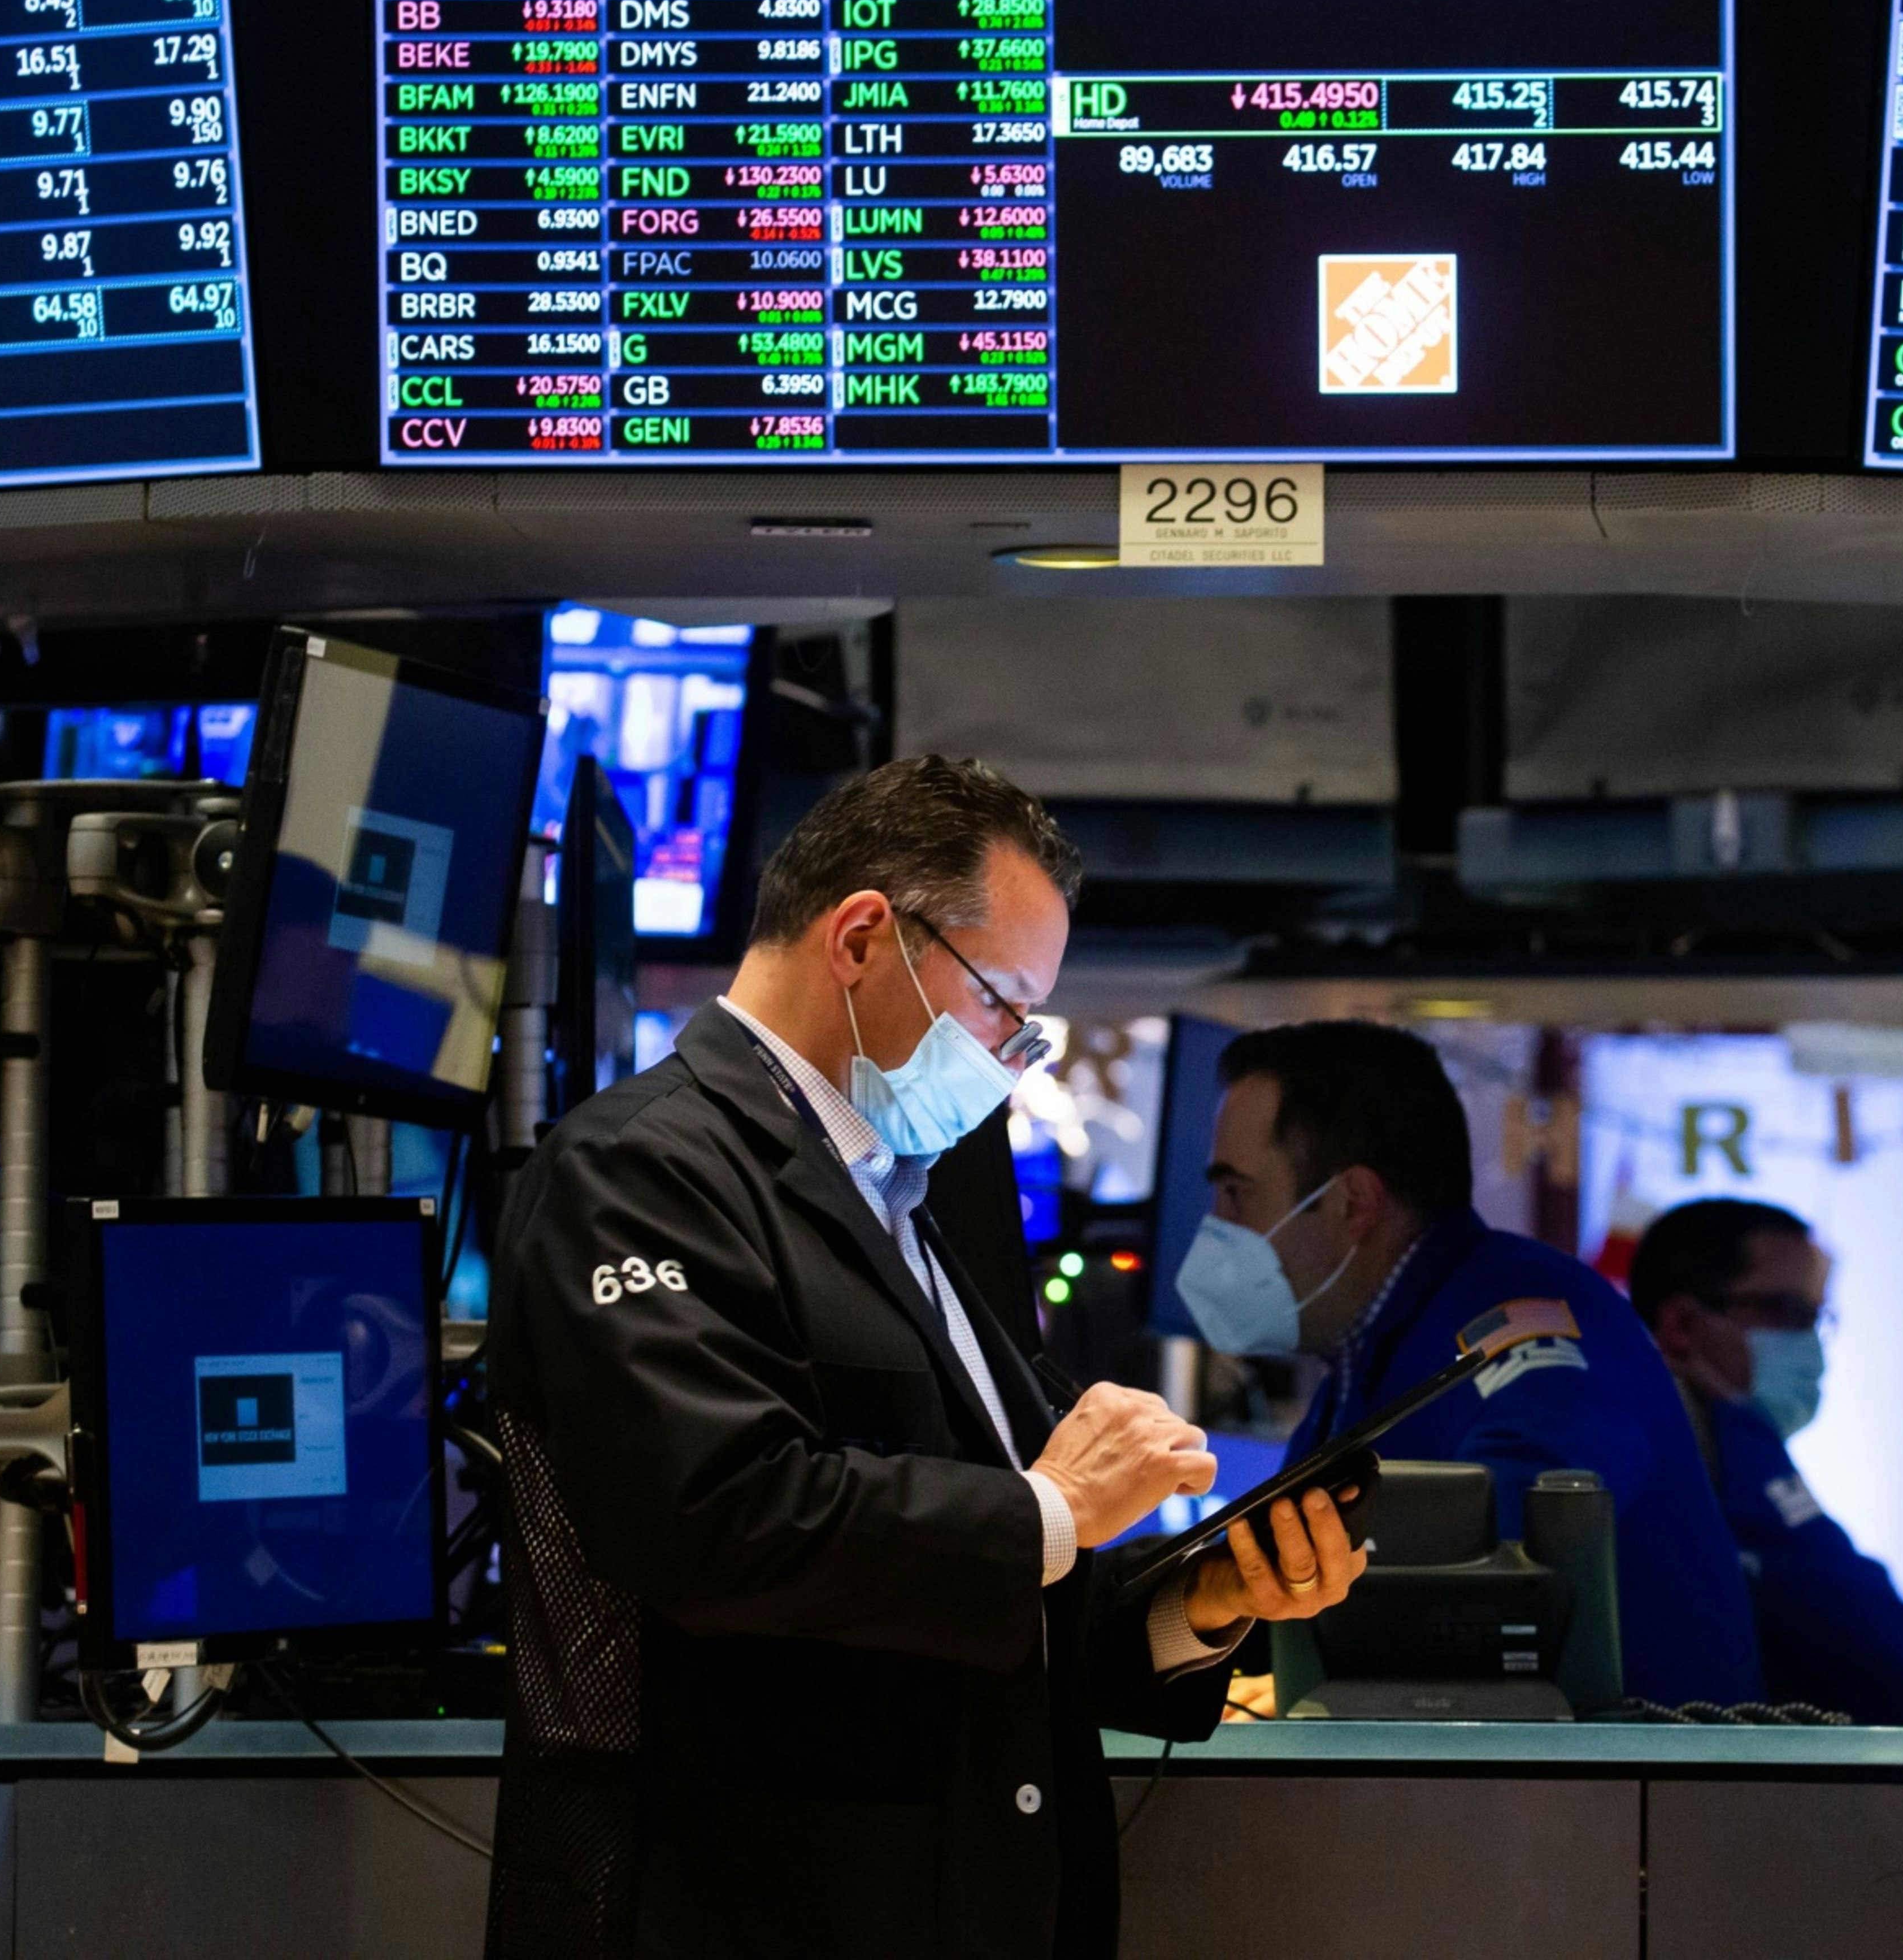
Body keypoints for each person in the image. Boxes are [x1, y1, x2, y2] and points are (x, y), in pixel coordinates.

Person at [484, 757, 1369, 1959]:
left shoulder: (910, 1195)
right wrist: (1055, 1507)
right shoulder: (643, 1166)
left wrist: (1202, 1596)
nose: (1015, 1056)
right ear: (861, 937)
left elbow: (1006, 1582)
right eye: (1003, 1003)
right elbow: (714, 1516)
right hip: (763, 1908)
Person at [1183, 1021, 1764, 1707]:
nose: (1216, 1223)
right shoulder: (1374, 1349)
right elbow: (1278, 1587)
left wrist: (1293, 1687)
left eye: (1236, 1193)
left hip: (1624, 1771)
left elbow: (1500, 1579)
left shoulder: (1533, 1326)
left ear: (1352, 1203)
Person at [1627, 1196, 1903, 1729]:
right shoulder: (1679, 1442)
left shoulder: (1716, 1434)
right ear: (1682, 1324)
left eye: (1817, 1318)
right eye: (1790, 1314)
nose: (1810, 1343)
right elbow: (1871, 1632)